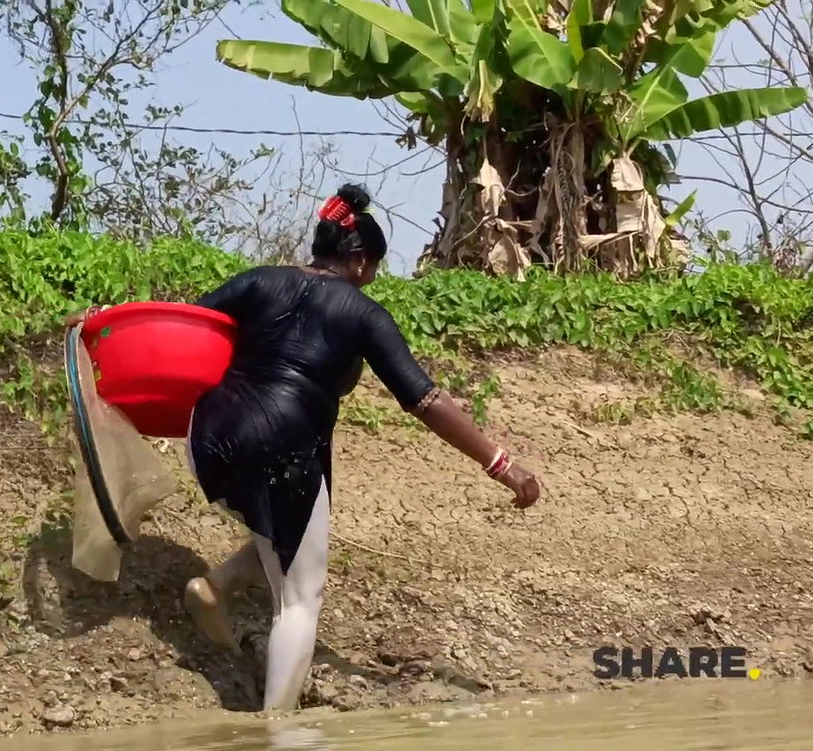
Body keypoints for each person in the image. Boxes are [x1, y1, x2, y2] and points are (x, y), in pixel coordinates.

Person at [66, 184, 542, 712]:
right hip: (283, 452)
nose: (373, 278)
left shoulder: (260, 282)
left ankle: (215, 589)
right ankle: (281, 732)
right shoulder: (363, 313)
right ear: (359, 262)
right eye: (375, 268)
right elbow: (424, 399)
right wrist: (501, 464)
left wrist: (97, 322)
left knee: (285, 541)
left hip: (210, 440)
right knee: (300, 599)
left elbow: (177, 329)